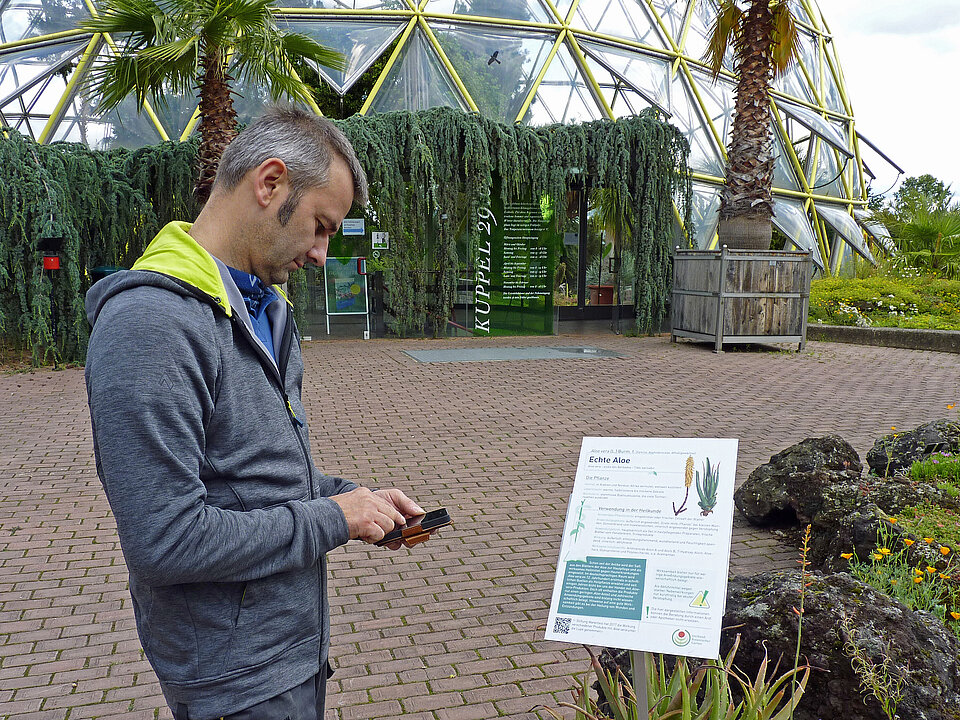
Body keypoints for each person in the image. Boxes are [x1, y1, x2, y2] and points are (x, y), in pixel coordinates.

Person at [85, 106, 423, 720]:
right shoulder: (153, 324)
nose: (323, 254)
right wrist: (331, 520)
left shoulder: (265, 309)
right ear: (270, 184)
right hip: (233, 680)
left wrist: (356, 500)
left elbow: (248, 476)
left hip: (293, 655)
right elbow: (165, 540)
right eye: (320, 226)